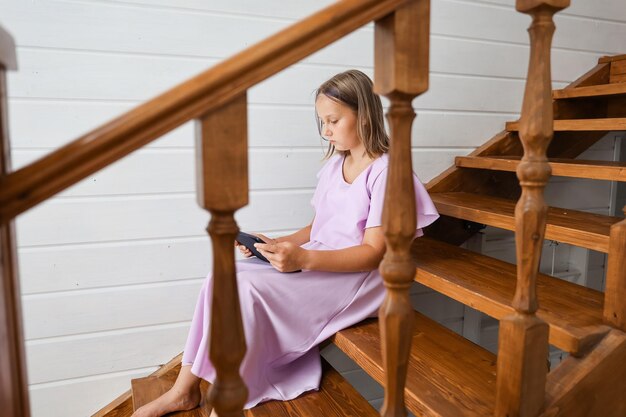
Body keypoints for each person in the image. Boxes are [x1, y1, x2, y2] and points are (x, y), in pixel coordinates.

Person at [132, 69, 439, 417]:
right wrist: (275, 243)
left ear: (364, 114)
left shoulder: (388, 172)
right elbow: (319, 226)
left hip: (357, 277)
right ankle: (183, 390)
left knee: (247, 291)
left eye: (334, 120)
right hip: (321, 258)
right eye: (322, 121)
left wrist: (303, 260)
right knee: (223, 276)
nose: (326, 130)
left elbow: (372, 254)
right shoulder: (336, 165)